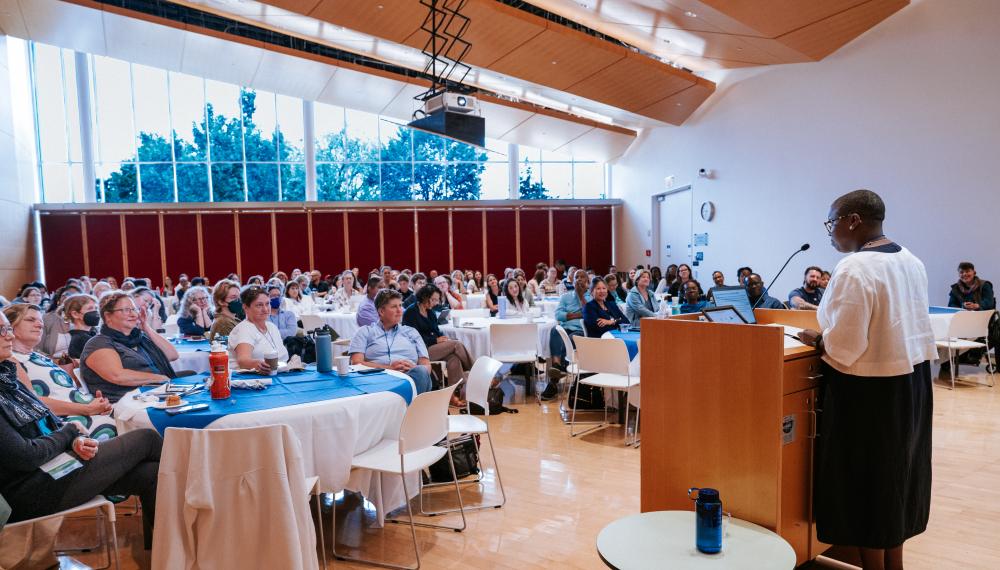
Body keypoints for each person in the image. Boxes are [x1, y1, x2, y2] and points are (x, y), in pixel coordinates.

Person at [796, 190, 936, 570]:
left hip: (869, 388)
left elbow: (845, 346)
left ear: (853, 220)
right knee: (898, 476)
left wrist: (815, 339)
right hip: (913, 381)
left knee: (866, 482)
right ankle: (894, 563)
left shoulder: (856, 267)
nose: (830, 233)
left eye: (832, 223)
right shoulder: (911, 260)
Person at [0, 311, 162, 549]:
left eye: (8, 329)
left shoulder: (6, 375)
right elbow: (26, 456)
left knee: (152, 473)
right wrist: (68, 433)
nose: (9, 336)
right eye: (2, 330)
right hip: (27, 492)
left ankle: (165, 552)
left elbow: (46, 421)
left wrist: (73, 438)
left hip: (52, 469)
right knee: (146, 438)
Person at [3, 304, 117, 440]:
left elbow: (64, 391)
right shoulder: (11, 361)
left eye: (40, 321)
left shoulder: (38, 356)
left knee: (125, 414)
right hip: (61, 420)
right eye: (30, 320)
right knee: (117, 424)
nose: (39, 324)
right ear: (9, 326)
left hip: (83, 410)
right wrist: (88, 409)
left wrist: (95, 403)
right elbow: (33, 403)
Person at [80, 291, 180, 403]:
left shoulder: (138, 337)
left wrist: (146, 327)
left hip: (154, 396)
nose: (133, 315)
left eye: (134, 309)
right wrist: (160, 378)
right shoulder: (98, 343)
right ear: (108, 316)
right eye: (127, 310)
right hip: (125, 405)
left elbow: (172, 355)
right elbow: (117, 376)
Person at [349, 289, 432, 394]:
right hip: (378, 380)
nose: (400, 310)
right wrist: (389, 368)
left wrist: (414, 368)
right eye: (394, 307)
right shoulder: (365, 332)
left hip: (411, 379)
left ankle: (408, 406)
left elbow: (427, 366)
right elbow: (356, 363)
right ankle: (412, 408)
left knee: (421, 371)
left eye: (400, 306)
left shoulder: (411, 332)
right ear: (381, 311)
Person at [403, 285, 473, 405]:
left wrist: (443, 339)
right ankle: (475, 371)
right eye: (434, 299)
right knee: (456, 345)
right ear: (425, 297)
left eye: (437, 300)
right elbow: (413, 337)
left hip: (431, 347)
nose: (436, 303)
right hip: (419, 350)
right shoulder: (411, 312)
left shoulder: (430, 312)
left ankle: (451, 395)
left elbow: (436, 331)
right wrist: (435, 340)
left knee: (453, 358)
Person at [545, 269, 592, 398]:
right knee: (555, 330)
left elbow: (589, 314)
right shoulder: (566, 296)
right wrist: (577, 314)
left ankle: (555, 378)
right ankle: (556, 365)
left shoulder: (590, 296)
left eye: (583, 277)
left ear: (587, 281)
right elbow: (558, 315)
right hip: (566, 327)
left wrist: (581, 296)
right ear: (572, 279)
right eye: (577, 277)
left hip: (580, 329)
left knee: (571, 338)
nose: (580, 279)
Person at [227, 286, 290, 373]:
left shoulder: (272, 327)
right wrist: (258, 364)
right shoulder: (244, 329)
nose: (265, 309)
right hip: (251, 380)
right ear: (245, 307)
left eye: (267, 304)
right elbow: (243, 361)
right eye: (259, 305)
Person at [64, 294, 100, 359]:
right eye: (90, 308)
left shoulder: (92, 334)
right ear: (75, 314)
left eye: (96, 308)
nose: (95, 312)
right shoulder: (81, 339)